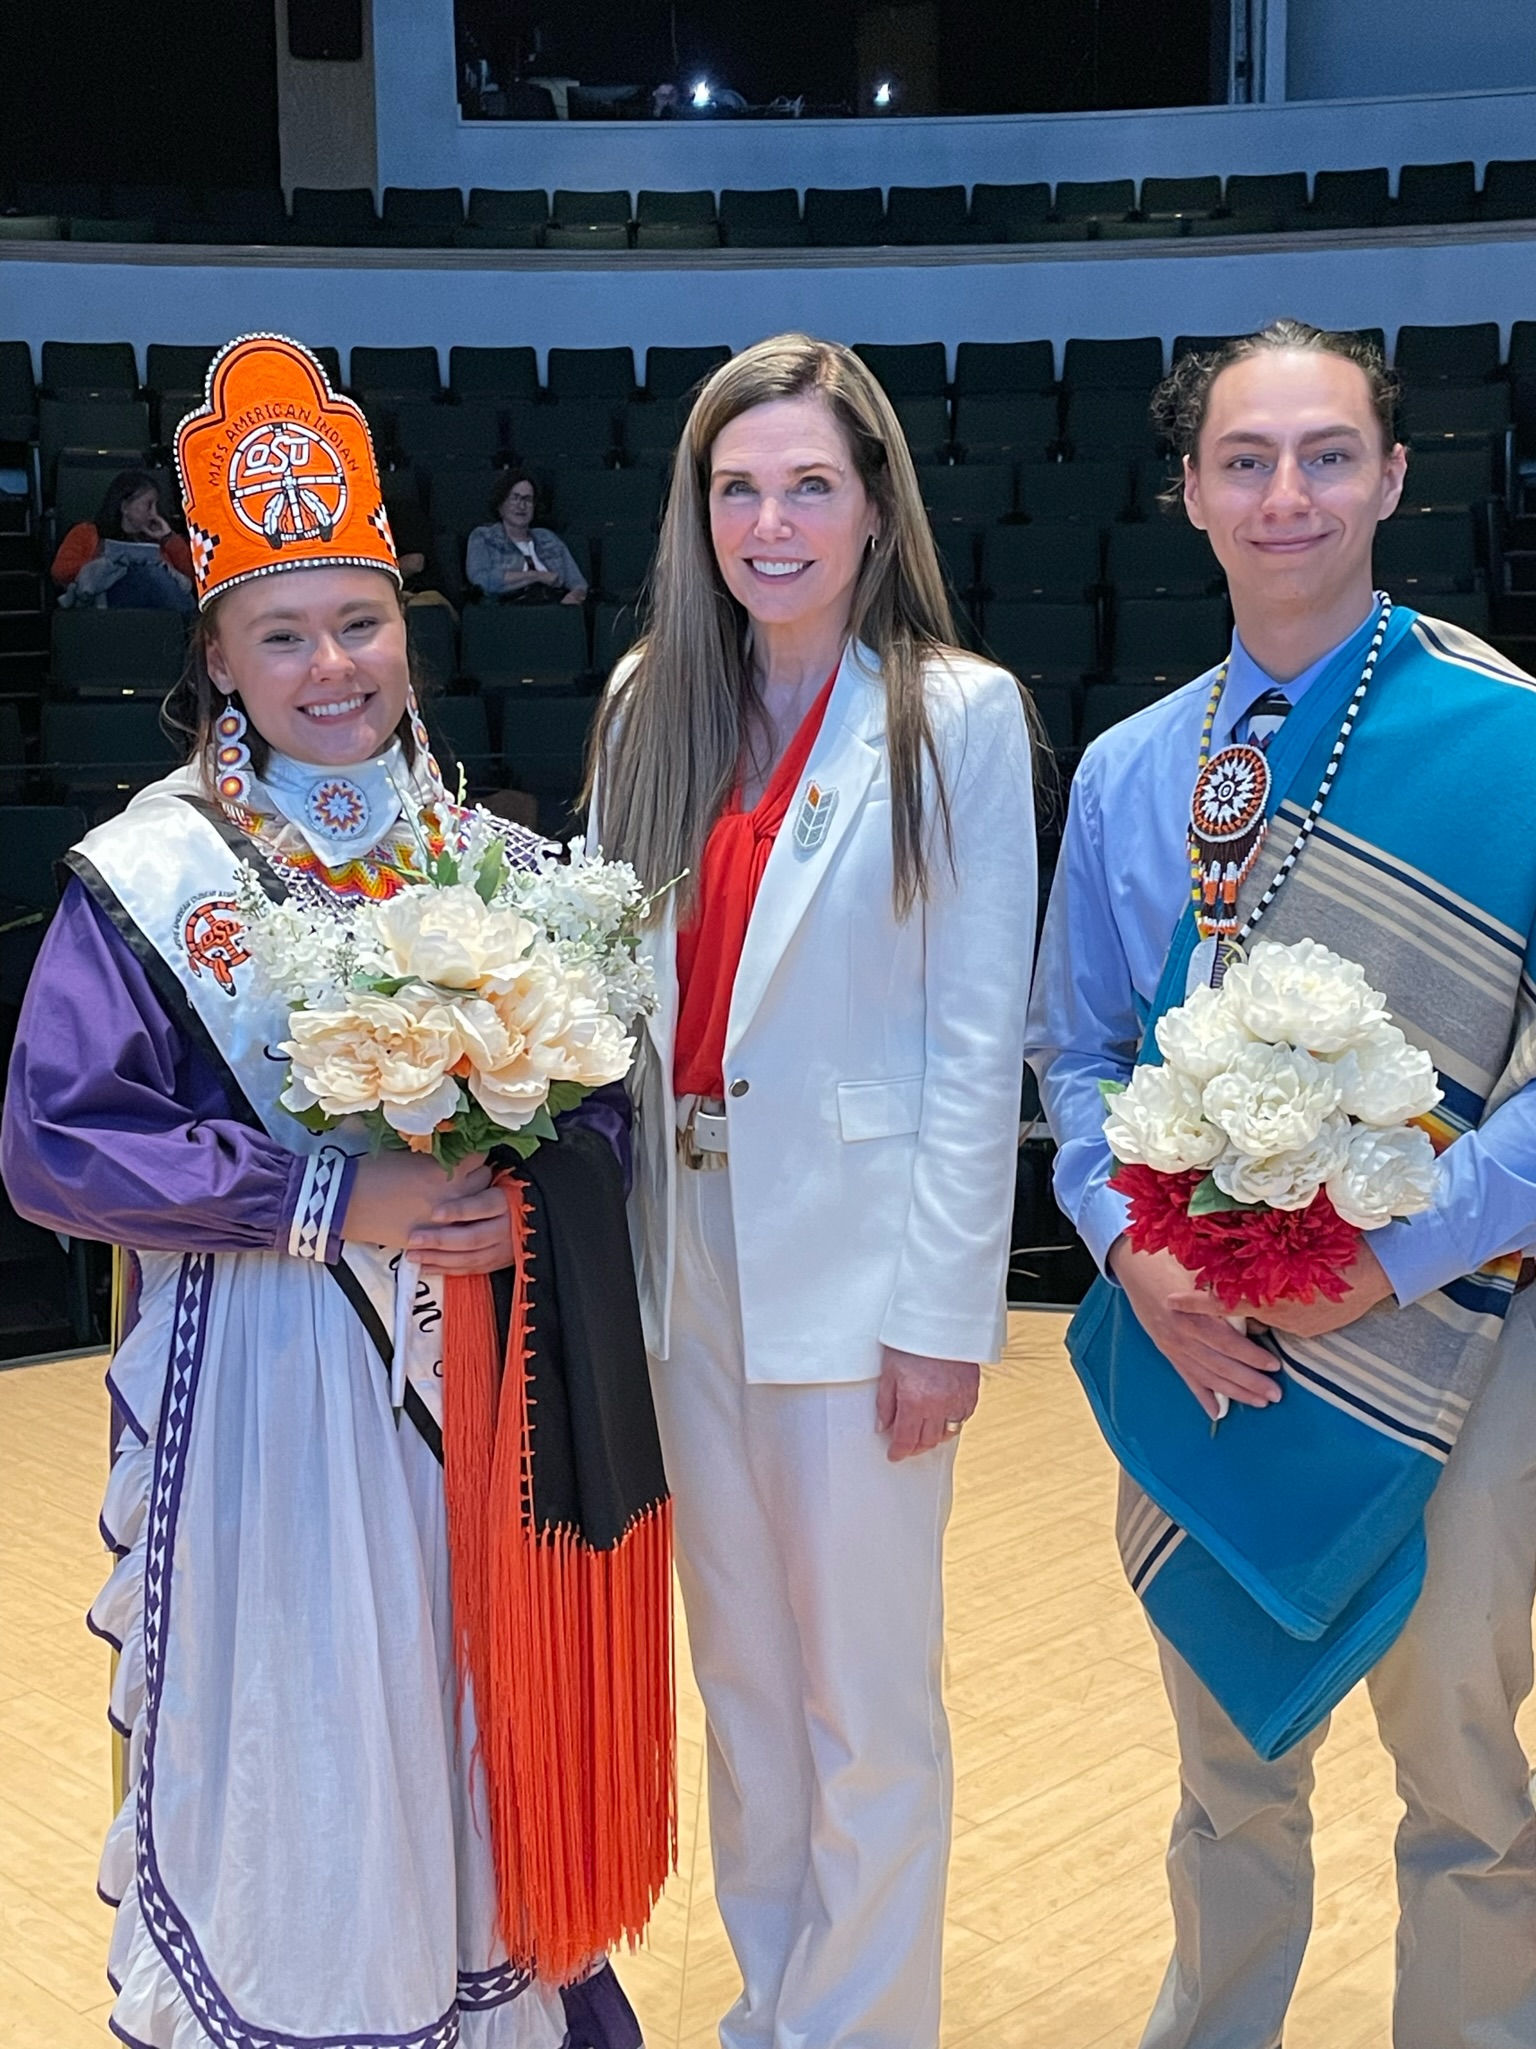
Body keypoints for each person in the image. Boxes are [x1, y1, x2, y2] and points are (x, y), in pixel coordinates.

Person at [2, 335, 647, 2049]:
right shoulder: (155, 875)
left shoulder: (505, 862)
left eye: (358, 621)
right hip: (263, 1400)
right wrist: (331, 1198)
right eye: (282, 633)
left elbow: (604, 1115)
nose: (331, 665)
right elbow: (58, 1138)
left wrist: (526, 1187)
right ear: (217, 656)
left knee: (466, 1717)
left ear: (407, 631)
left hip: (484, 1394)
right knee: (305, 1713)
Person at [1025, 319, 1536, 2049]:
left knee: (1464, 1769)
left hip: (1456, 1331)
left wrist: (1393, 1261)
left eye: (1327, 455)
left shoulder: (1511, 740)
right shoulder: (1129, 768)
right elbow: (1078, 1054)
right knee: (1228, 1771)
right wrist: (1135, 1256)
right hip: (1208, 1336)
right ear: (1189, 490)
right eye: (1245, 460)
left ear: (1393, 477)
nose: (1286, 493)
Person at [588, 333, 1038, 2049]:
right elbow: (606, 986)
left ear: (873, 509)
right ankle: (773, 2005)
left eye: (807, 487)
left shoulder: (953, 711)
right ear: (697, 511)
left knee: (864, 1702)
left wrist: (942, 1316)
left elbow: (974, 1036)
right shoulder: (652, 700)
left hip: (858, 1272)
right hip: (683, 1252)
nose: (769, 524)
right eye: (737, 489)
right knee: (745, 1683)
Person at [51, 467, 197, 614]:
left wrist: (168, 537)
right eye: (149, 505)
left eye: (156, 506)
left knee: (153, 574)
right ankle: (191, 621)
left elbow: (195, 575)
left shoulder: (161, 542)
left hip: (157, 611)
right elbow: (60, 572)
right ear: (125, 507)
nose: (154, 513)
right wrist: (105, 563)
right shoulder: (87, 533)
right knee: (149, 574)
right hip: (107, 605)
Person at [466, 473, 587, 605]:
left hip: (552, 608)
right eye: (515, 498)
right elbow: (482, 581)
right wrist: (536, 576)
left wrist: (574, 596)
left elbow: (579, 584)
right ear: (500, 505)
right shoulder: (483, 536)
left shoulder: (548, 538)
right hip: (505, 610)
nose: (522, 506)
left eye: (528, 500)